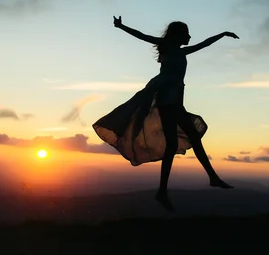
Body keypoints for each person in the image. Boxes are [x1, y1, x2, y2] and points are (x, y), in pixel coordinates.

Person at [93, 16, 239, 211]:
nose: (189, 37)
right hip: (167, 99)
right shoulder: (167, 46)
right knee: (192, 137)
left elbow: (204, 44)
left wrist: (222, 34)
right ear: (178, 35)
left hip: (174, 99)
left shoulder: (182, 51)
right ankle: (208, 179)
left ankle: (166, 190)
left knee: (175, 144)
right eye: (186, 33)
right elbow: (142, 36)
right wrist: (121, 26)